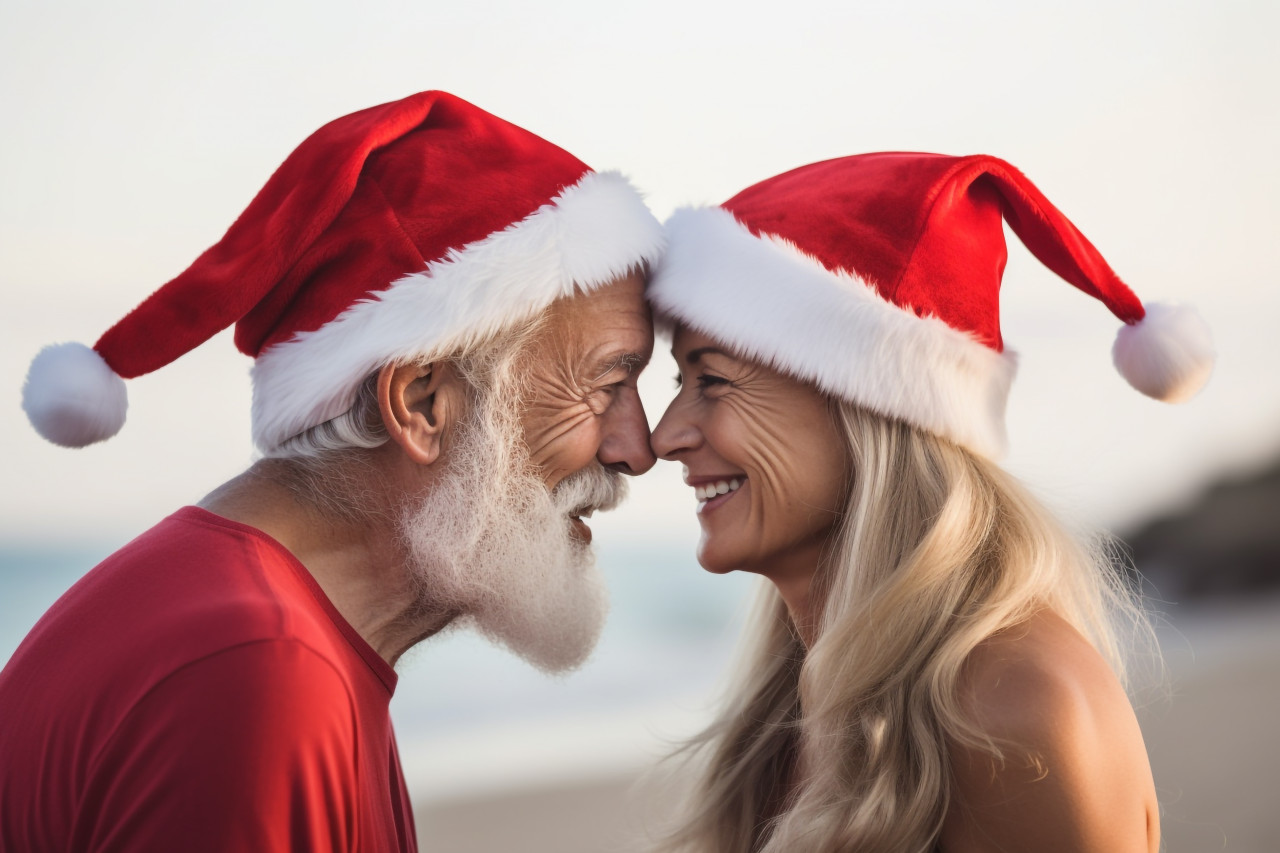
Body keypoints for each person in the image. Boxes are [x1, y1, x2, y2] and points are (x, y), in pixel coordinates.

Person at [1, 91, 664, 852]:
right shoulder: (261, 669)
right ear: (420, 403)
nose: (635, 448)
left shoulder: (273, 632)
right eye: (610, 383)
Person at [646, 153, 1215, 853]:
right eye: (679, 379)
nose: (663, 435)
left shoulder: (1015, 703)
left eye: (713, 380)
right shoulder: (797, 703)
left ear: (866, 404)